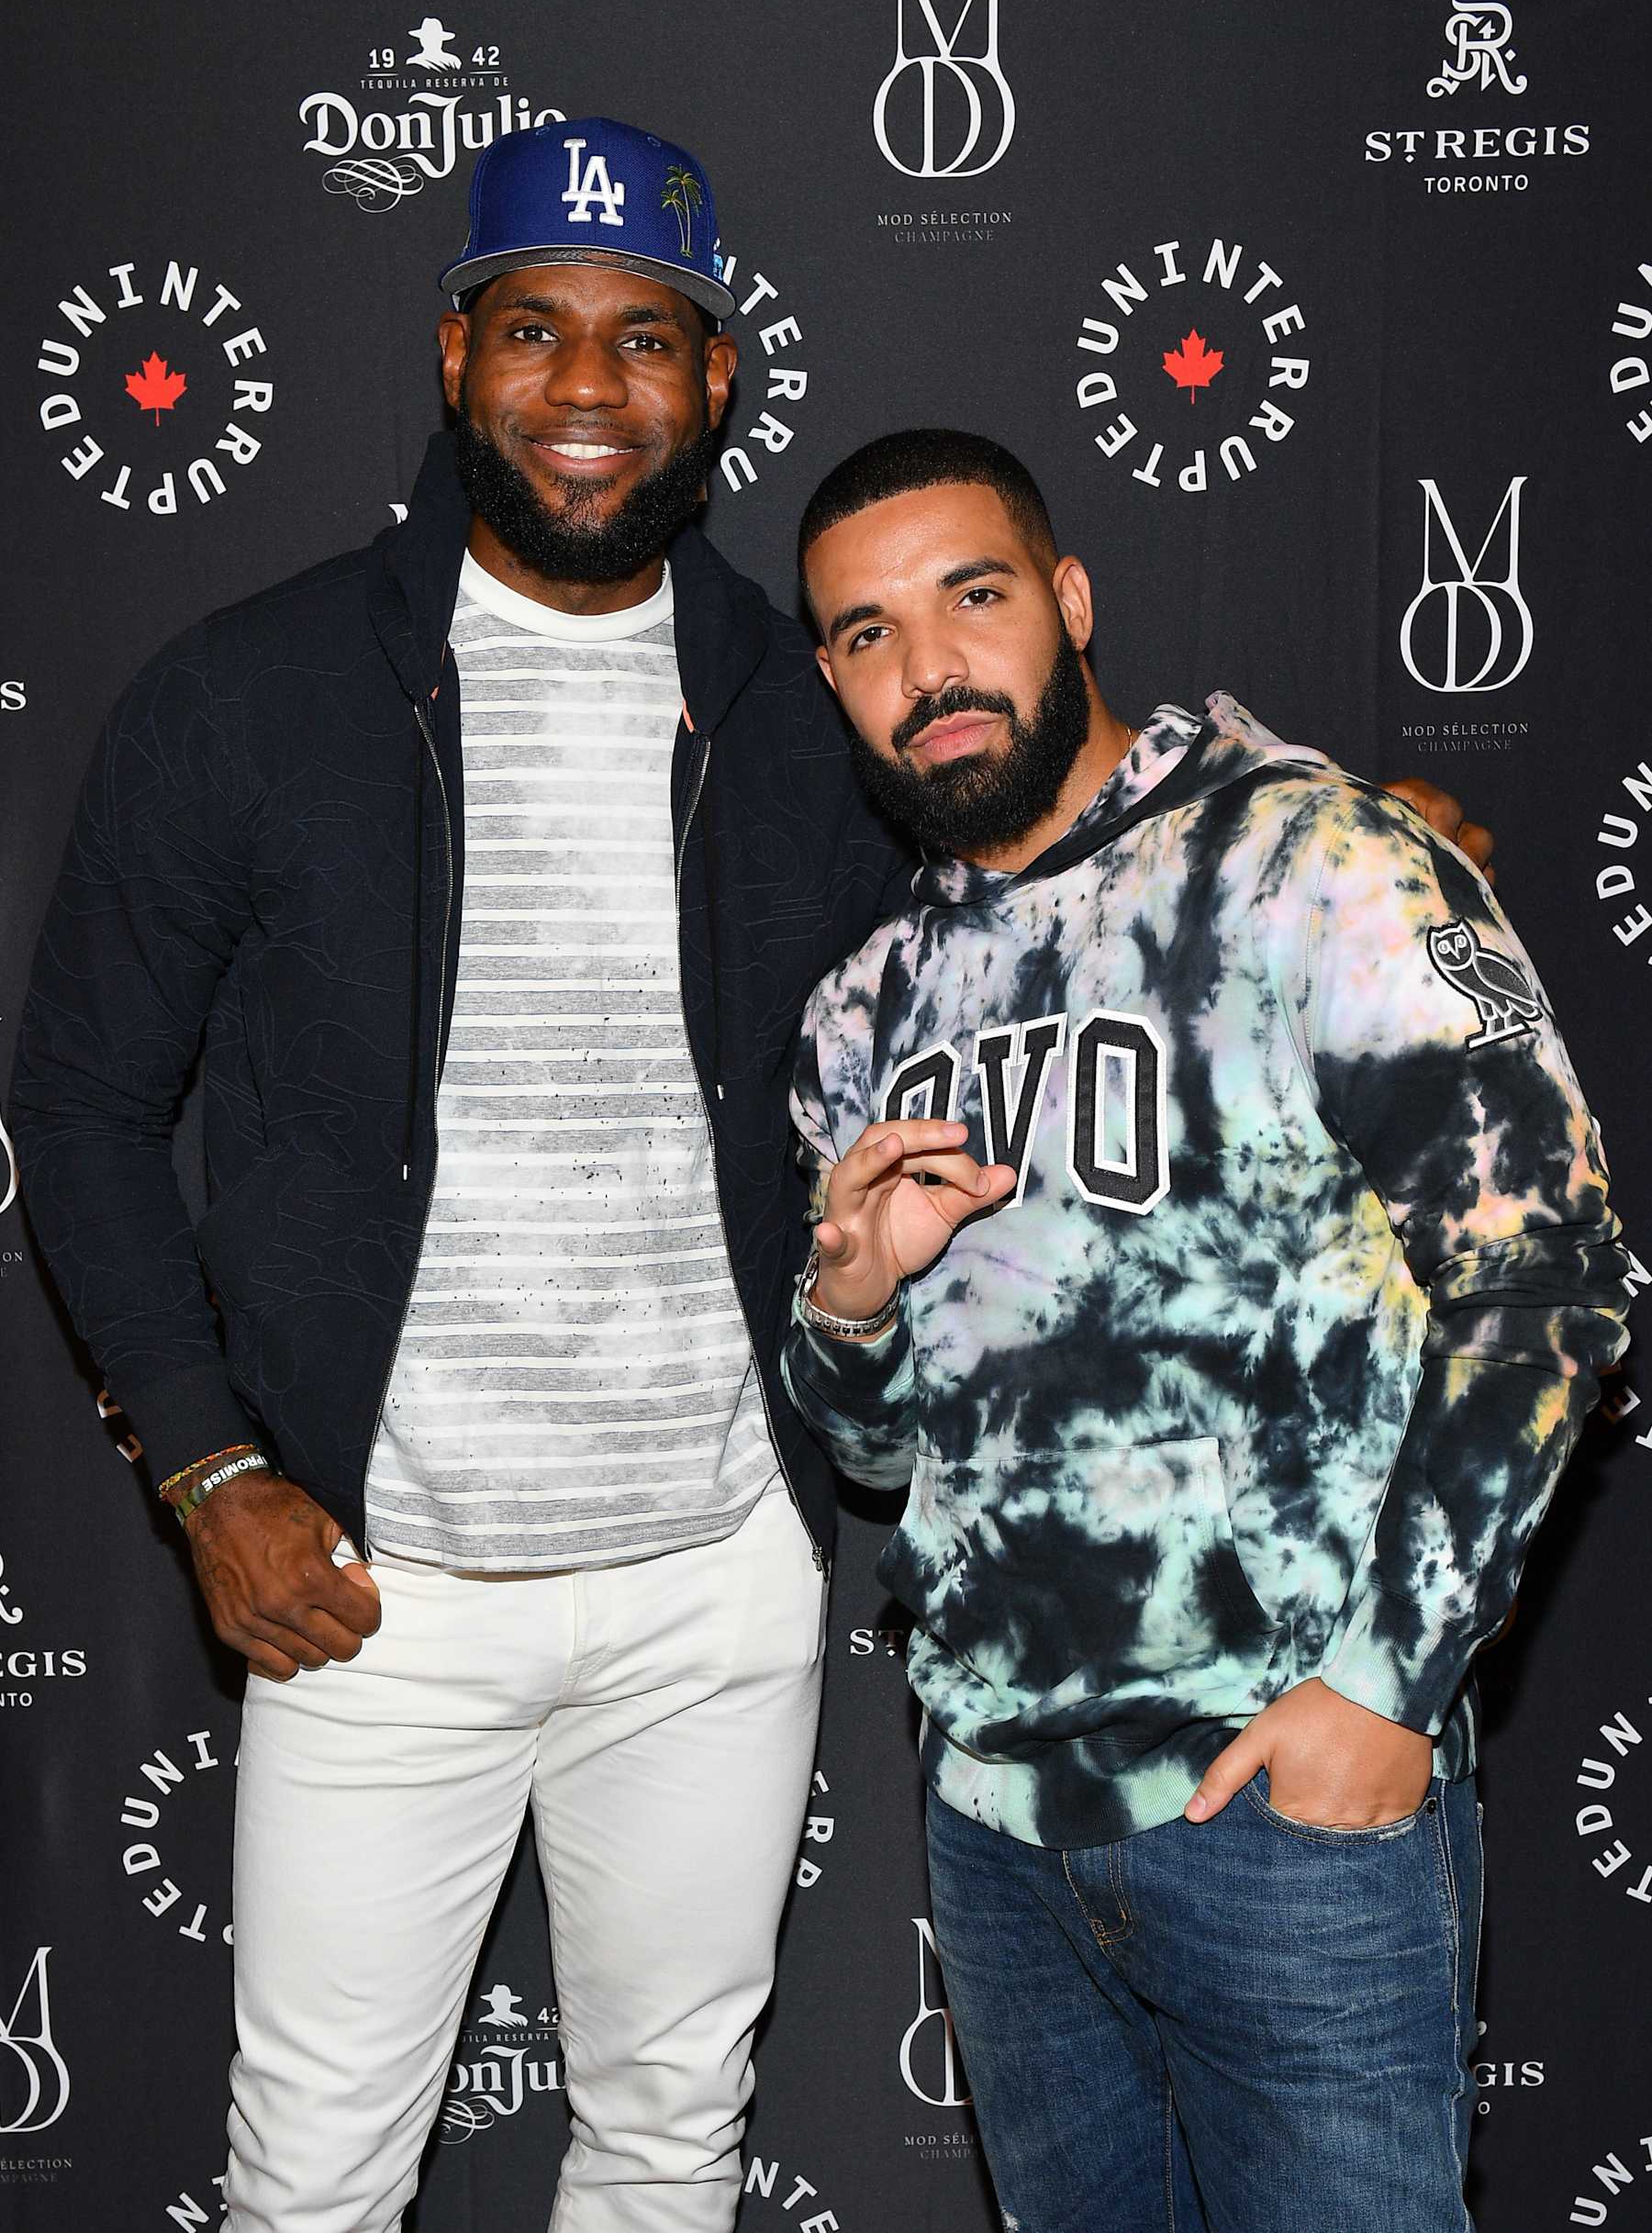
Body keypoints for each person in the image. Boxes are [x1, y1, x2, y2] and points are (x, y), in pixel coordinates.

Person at [10, 116, 1490, 2230]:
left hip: (718, 1583)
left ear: (718, 380)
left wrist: (1341, 834)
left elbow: (1051, 827)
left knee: (671, 2151)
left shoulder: (811, 705)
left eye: (646, 339)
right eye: (537, 331)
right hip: (375, 1593)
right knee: (313, 2175)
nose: (587, 389)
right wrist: (208, 1469)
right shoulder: (245, 701)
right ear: (456, 357)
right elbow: (75, 1101)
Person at [780, 427, 1626, 2233]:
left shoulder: (1312, 861)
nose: (927, 667)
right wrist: (848, 1303)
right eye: (863, 634)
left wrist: (1387, 1692)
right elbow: (872, 1458)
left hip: (1279, 1812)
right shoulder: (867, 1007)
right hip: (999, 1836)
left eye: (973, 597)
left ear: (1070, 602)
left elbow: (1548, 1282)